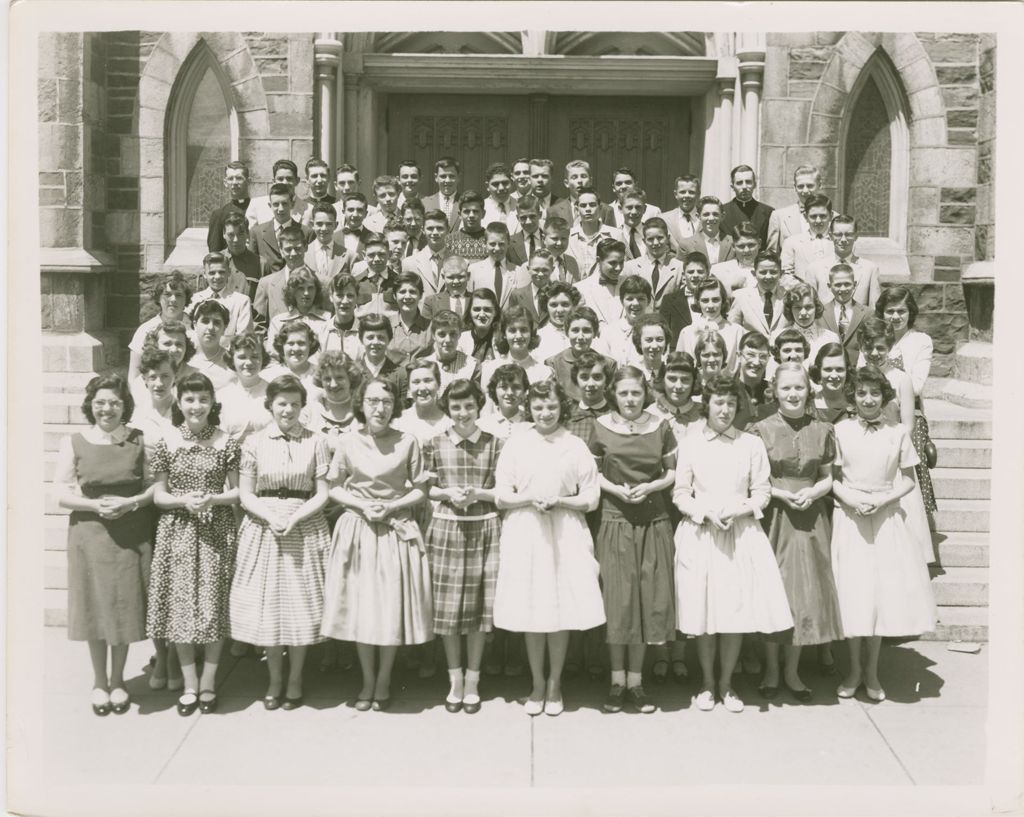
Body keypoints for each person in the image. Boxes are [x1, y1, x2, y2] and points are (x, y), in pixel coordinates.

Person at [672, 375, 794, 713]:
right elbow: (681, 493)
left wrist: (740, 510)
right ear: (706, 405)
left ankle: (727, 685)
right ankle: (707, 684)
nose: (725, 410)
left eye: (730, 403)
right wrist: (706, 513)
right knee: (706, 613)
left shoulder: (750, 445)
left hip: (741, 535)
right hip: (703, 534)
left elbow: (763, 492)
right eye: (718, 403)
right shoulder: (692, 444)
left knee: (734, 611)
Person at [492, 379, 605, 716]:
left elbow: (592, 496)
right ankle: (537, 683)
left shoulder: (574, 445)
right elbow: (501, 494)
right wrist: (529, 498)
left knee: (559, 610)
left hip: (564, 532)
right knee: (533, 609)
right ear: (530, 408)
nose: (545, 413)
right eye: (539, 407)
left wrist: (560, 501)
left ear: (562, 408)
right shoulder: (517, 443)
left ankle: (555, 684)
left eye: (552, 407)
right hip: (526, 531)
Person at [321, 378, 433, 711]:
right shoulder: (348, 442)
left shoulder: (408, 441)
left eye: (385, 401)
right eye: (372, 401)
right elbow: (334, 487)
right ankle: (367, 679)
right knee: (362, 609)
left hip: (394, 530)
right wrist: (359, 504)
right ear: (361, 404)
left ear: (394, 406)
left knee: (388, 609)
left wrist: (394, 505)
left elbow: (420, 490)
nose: (379, 408)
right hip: (357, 530)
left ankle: (384, 679)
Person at [830, 366, 937, 701]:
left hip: (886, 516)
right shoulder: (840, 430)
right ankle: (853, 670)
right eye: (861, 393)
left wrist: (882, 499)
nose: (868, 399)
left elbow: (907, 479)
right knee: (854, 594)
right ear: (853, 396)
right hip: (850, 517)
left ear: (885, 396)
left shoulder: (897, 433)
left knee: (879, 595)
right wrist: (851, 499)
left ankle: (872, 671)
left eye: (874, 393)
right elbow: (832, 477)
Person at [55, 374, 155, 716]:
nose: (107, 409)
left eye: (114, 402)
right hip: (90, 534)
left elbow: (153, 488)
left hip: (130, 533)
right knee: (95, 607)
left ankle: (119, 680)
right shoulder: (75, 441)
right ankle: (99, 681)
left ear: (125, 405)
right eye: (100, 402)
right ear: (90, 405)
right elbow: (60, 493)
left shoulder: (140, 440)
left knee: (123, 605)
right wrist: (96, 505)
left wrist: (132, 504)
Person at [230, 375, 331, 710]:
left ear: (303, 407)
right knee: (271, 608)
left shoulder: (316, 441)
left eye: (294, 404)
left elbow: (323, 493)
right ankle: (274, 678)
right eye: (281, 403)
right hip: (265, 525)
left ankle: (296, 678)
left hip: (304, 524)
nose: (288, 410)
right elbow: (246, 493)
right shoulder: (254, 443)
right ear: (270, 405)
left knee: (301, 607)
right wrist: (270, 516)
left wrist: (296, 517)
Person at [147, 373, 241, 716]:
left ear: (212, 402)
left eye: (202, 399)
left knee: (213, 609)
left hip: (216, 532)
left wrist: (213, 498)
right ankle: (189, 685)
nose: (196, 406)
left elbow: (238, 492)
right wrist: (183, 501)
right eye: (189, 399)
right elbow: (159, 495)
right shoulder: (168, 440)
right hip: (179, 534)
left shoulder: (226, 441)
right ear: (179, 402)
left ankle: (208, 684)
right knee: (182, 611)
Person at [751, 364, 843, 702]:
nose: (793, 394)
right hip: (775, 515)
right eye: (786, 388)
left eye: (799, 388)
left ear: (809, 391)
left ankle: (792, 670)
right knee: (775, 591)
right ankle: (771, 670)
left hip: (810, 518)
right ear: (774, 391)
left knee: (804, 595)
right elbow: (754, 479)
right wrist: (780, 493)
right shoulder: (759, 430)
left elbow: (827, 476)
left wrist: (813, 493)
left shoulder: (823, 429)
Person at [589, 366, 678, 714]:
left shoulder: (660, 426)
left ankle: (636, 682)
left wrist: (650, 486)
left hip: (653, 519)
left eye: (636, 393)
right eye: (624, 393)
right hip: (614, 519)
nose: (630, 399)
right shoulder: (601, 427)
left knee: (645, 600)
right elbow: (592, 474)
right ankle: (616, 681)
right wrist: (618, 491)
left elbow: (671, 472)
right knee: (619, 601)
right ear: (615, 394)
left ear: (645, 394)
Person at [423, 379, 503, 714]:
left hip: (484, 528)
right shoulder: (434, 442)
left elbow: (503, 489)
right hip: (447, 529)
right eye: (456, 407)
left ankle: (473, 678)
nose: (463, 413)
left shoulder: (495, 443)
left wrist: (478, 495)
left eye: (469, 406)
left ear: (479, 405)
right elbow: (429, 488)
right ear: (447, 409)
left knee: (478, 610)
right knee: (449, 608)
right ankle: (454, 678)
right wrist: (447, 493)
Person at [859, 318, 935, 565]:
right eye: (869, 347)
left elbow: (908, 424)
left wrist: (890, 450)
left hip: (893, 454)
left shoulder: (901, 378)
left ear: (889, 347)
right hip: (864, 452)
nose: (874, 353)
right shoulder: (858, 377)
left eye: (881, 347)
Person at [873, 286, 937, 519]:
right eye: (890, 311)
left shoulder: (921, 341)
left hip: (909, 414)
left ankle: (915, 518)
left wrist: (881, 383)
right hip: (873, 411)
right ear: (882, 313)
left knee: (911, 458)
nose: (896, 317)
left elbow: (917, 384)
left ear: (910, 313)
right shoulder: (874, 337)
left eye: (901, 311)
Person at [127, 272, 193, 381]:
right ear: (158, 298)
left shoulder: (195, 327)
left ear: (186, 299)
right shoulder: (145, 330)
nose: (173, 299)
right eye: (167, 294)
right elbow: (134, 377)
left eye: (179, 295)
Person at [480, 305, 553, 399]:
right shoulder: (490, 369)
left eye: (523, 330)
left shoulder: (543, 372)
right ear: (504, 334)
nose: (518, 336)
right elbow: (486, 410)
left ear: (531, 333)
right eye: (512, 330)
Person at [808, 215, 881, 307]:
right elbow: (810, 306)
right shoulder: (815, 269)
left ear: (856, 236)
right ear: (830, 236)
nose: (843, 240)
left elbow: (874, 309)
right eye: (838, 235)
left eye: (848, 234)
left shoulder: (870, 269)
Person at [545, 306, 614, 403]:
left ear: (594, 333)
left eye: (586, 331)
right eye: (575, 330)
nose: (580, 337)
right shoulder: (553, 363)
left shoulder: (608, 364)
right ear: (567, 332)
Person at [677, 278, 745, 372]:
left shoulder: (737, 331)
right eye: (705, 300)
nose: (710, 306)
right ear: (698, 302)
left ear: (723, 300)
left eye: (715, 300)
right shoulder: (687, 333)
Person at [187, 252, 253, 348]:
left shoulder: (241, 301)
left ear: (229, 272)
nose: (217, 277)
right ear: (205, 274)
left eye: (221, 272)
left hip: (228, 356)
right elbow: (190, 333)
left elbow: (243, 337)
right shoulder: (194, 300)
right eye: (212, 273)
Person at [253, 224, 313, 327]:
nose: (293, 254)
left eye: (297, 248)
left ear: (306, 247)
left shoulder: (322, 282)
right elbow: (258, 325)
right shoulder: (266, 284)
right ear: (281, 250)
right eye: (288, 249)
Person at [265, 267, 332, 359]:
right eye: (300, 288)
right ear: (292, 292)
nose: (306, 293)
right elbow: (273, 353)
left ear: (316, 291)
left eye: (311, 288)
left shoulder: (328, 319)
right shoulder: (278, 322)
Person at [218, 333, 272, 443]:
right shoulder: (222, 396)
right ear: (232, 359)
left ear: (263, 358)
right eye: (242, 357)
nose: (249, 362)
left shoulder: (273, 393)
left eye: (255, 357)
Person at [621, 217, 684, 311]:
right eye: (650, 239)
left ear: (668, 238)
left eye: (660, 238)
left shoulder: (680, 267)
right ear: (644, 241)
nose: (655, 243)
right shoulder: (631, 267)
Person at [775, 282, 842, 366]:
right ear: (790, 309)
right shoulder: (778, 336)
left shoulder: (830, 337)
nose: (803, 313)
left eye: (808, 307)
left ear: (817, 307)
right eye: (798, 308)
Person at [249, 182, 313, 269]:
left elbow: (311, 264)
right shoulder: (257, 232)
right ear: (270, 205)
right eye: (276, 204)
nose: (281, 209)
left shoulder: (306, 232)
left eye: (284, 203)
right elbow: (252, 266)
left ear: (292, 204)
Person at [468, 222, 529, 308]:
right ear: (485, 243)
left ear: (508, 243)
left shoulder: (518, 271)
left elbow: (522, 304)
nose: (497, 248)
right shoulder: (474, 270)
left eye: (501, 244)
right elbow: (469, 301)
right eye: (492, 244)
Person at [727, 250, 787, 338]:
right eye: (763, 272)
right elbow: (733, 330)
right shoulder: (740, 297)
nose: (768, 276)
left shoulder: (789, 296)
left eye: (773, 272)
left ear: (781, 273)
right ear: (754, 273)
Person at [393, 360, 455, 445]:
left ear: (438, 384)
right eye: (416, 382)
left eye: (427, 380)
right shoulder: (398, 422)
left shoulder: (451, 422)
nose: (422, 388)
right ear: (409, 387)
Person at [780, 192, 836, 286]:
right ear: (806, 217)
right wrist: (805, 291)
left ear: (831, 216)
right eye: (813, 216)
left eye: (823, 216)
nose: (818, 221)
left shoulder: (839, 242)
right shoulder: (792, 242)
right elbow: (785, 275)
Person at [766, 164, 824, 254]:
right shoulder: (779, 216)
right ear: (794, 187)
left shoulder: (833, 217)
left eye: (810, 186)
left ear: (819, 185)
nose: (805, 191)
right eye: (800, 186)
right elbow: (772, 255)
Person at [595, 274, 651, 365]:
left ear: (648, 301)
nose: (635, 303)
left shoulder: (656, 330)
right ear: (622, 301)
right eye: (630, 299)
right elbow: (602, 365)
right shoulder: (609, 331)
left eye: (641, 299)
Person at [563, 348, 614, 445]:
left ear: (606, 380)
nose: (590, 384)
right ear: (576, 380)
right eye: (584, 377)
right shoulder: (567, 415)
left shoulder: (615, 414)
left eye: (597, 377)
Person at [574, 238, 627, 329]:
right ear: (598, 260)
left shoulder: (629, 284)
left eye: (621, 262)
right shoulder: (580, 288)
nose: (618, 268)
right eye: (613, 263)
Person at [186, 300, 239, 394]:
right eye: (205, 321)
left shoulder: (232, 362)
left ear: (224, 328)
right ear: (195, 324)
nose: (210, 327)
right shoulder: (184, 357)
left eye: (217, 323)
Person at [567, 188, 623, 275]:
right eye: (583, 205)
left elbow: (625, 265)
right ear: (577, 210)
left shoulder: (616, 235)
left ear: (600, 208)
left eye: (592, 205)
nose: (588, 209)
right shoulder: (568, 236)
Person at [304, 201, 356, 292]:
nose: (324, 229)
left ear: (335, 225)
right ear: (312, 225)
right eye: (319, 224)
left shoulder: (349, 256)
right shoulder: (303, 254)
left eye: (328, 224)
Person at [355, 313, 409, 400]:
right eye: (370, 337)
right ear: (361, 339)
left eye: (381, 337)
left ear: (389, 339)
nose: (375, 342)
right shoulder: (353, 372)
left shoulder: (401, 375)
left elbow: (403, 410)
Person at [719, 165, 774, 247]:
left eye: (748, 182)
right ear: (732, 186)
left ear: (754, 184)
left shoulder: (768, 212)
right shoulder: (721, 212)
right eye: (739, 183)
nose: (744, 187)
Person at [263, 318, 321, 395]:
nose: (296, 348)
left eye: (301, 343)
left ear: (310, 344)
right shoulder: (268, 376)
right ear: (282, 345)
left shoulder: (321, 374)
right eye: (290, 343)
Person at [426, 310, 480, 391]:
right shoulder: (424, 365)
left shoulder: (472, 365)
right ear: (433, 335)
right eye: (442, 334)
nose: (448, 340)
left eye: (453, 334)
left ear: (460, 334)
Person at [734, 331, 778, 431]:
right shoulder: (726, 390)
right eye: (750, 355)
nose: (756, 362)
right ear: (739, 356)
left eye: (763, 356)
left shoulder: (775, 392)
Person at [403, 209, 450, 300]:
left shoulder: (460, 261)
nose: (435, 233)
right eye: (430, 228)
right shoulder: (409, 263)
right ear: (423, 230)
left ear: (448, 230)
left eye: (440, 228)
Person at [246, 158, 307, 228]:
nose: (285, 183)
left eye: (289, 179)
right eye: (280, 179)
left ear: (297, 181)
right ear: (273, 181)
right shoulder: (256, 205)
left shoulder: (308, 209)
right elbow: (251, 235)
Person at [317, 272, 365, 361]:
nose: (345, 301)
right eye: (340, 295)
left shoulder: (365, 331)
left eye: (350, 295)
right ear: (331, 297)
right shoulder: (322, 332)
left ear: (357, 298)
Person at [207, 160, 252, 253]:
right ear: (225, 182)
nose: (234, 182)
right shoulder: (219, 215)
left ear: (248, 181)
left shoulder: (258, 208)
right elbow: (215, 252)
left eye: (239, 178)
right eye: (231, 179)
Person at [677, 196, 735, 267]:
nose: (711, 218)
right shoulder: (686, 245)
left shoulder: (733, 242)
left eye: (715, 214)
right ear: (698, 216)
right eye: (706, 214)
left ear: (722, 216)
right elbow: (681, 272)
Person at [479, 362, 531, 440]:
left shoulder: (532, 423)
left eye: (516, 387)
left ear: (524, 391)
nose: (509, 393)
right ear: (494, 390)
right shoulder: (482, 426)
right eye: (503, 387)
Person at [388, 272, 433, 362]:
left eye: (412, 292)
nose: (407, 296)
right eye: (402, 292)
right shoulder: (386, 326)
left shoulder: (431, 327)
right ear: (394, 296)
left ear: (420, 295)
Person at [222, 212, 264, 302]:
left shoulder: (261, 264)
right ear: (224, 234)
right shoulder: (215, 262)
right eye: (231, 235)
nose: (236, 240)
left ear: (247, 234)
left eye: (240, 234)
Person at [534, 281, 580, 362]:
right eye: (553, 305)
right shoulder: (539, 337)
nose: (559, 310)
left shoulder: (582, 333)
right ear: (546, 306)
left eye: (565, 304)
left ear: (573, 305)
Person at [810, 342, 855, 423]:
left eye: (839, 369)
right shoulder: (809, 405)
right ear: (818, 371)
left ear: (847, 371)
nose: (834, 376)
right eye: (828, 369)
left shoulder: (856, 403)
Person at [507, 250, 554, 324]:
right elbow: (512, 323)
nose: (540, 274)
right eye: (536, 270)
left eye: (545, 270)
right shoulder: (517, 295)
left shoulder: (557, 294)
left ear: (552, 270)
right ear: (528, 269)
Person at [711, 221, 760, 292]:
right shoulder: (718, 271)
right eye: (741, 246)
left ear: (759, 244)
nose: (746, 250)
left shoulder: (770, 269)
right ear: (733, 246)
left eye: (751, 245)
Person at [423, 254, 471, 321]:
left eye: (460, 277)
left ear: (468, 276)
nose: (456, 281)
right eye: (451, 277)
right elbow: (426, 329)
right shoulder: (431, 301)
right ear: (443, 277)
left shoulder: (476, 299)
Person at [456, 289, 500, 364]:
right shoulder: (460, 340)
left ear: (495, 312)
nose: (482, 314)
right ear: (470, 311)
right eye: (477, 309)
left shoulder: (502, 340)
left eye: (487, 309)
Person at [445, 191, 489, 261]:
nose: (471, 215)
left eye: (475, 211)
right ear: (459, 214)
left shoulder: (490, 239)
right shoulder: (449, 240)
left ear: (483, 214)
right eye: (466, 212)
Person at [421, 156, 462, 231]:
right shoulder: (425, 203)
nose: (447, 180)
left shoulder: (464, 203)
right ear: (436, 177)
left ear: (458, 177)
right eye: (443, 176)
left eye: (451, 176)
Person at [617, 188, 658, 261]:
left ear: (644, 209)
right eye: (629, 207)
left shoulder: (654, 234)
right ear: (620, 209)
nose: (634, 212)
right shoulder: (615, 235)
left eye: (638, 207)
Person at [538, 216, 581, 285]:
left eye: (564, 238)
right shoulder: (534, 264)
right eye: (555, 238)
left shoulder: (572, 262)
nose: (559, 243)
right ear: (543, 239)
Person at [663, 174, 702, 252]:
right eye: (682, 192)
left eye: (691, 192)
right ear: (675, 194)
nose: (687, 195)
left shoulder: (705, 218)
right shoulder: (664, 219)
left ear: (698, 194)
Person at [632, 313, 672, 387]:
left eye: (659, 339)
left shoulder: (672, 374)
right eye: (649, 340)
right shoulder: (631, 374)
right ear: (639, 342)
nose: (654, 346)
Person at [505, 194, 543, 266]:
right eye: (523, 218)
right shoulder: (509, 243)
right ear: (517, 218)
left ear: (540, 215)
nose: (528, 222)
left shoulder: (549, 239)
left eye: (532, 216)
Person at [335, 193, 375, 257]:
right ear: (343, 211)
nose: (355, 214)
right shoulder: (333, 238)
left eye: (360, 210)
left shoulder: (373, 239)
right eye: (350, 210)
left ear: (366, 213)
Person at [482, 162, 515, 226]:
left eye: (505, 183)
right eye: (496, 184)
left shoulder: (521, 206)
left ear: (511, 183)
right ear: (487, 186)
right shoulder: (480, 208)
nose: (501, 188)